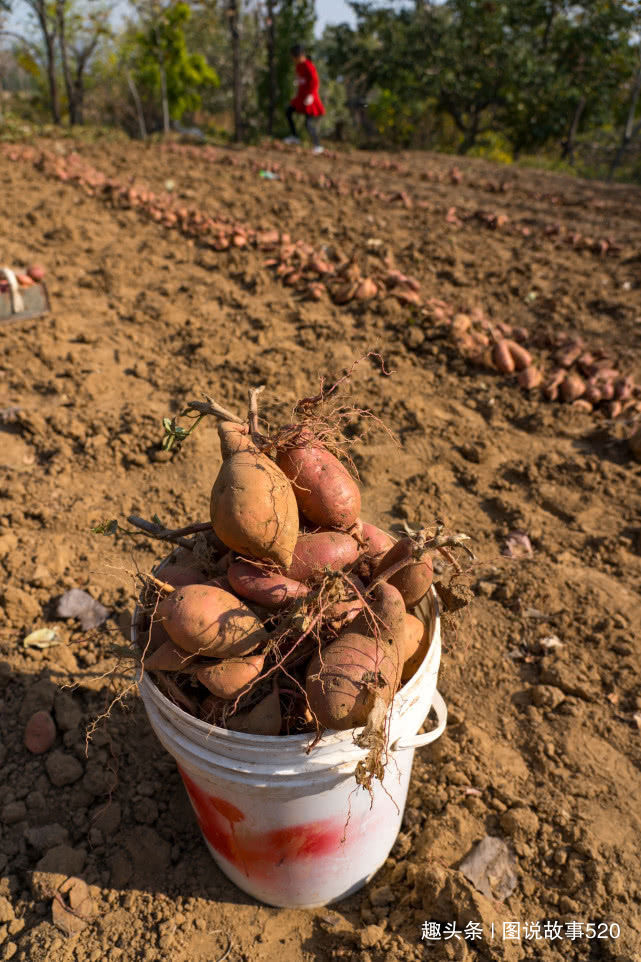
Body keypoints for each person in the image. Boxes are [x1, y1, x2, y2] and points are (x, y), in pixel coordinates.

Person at [284, 44, 325, 154]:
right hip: (301, 97)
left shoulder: (309, 66)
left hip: (310, 99)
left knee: (308, 123)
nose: (293, 59)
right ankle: (294, 136)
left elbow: (315, 82)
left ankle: (318, 146)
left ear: (300, 56)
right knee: (288, 112)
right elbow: (301, 79)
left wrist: (311, 95)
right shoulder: (299, 66)